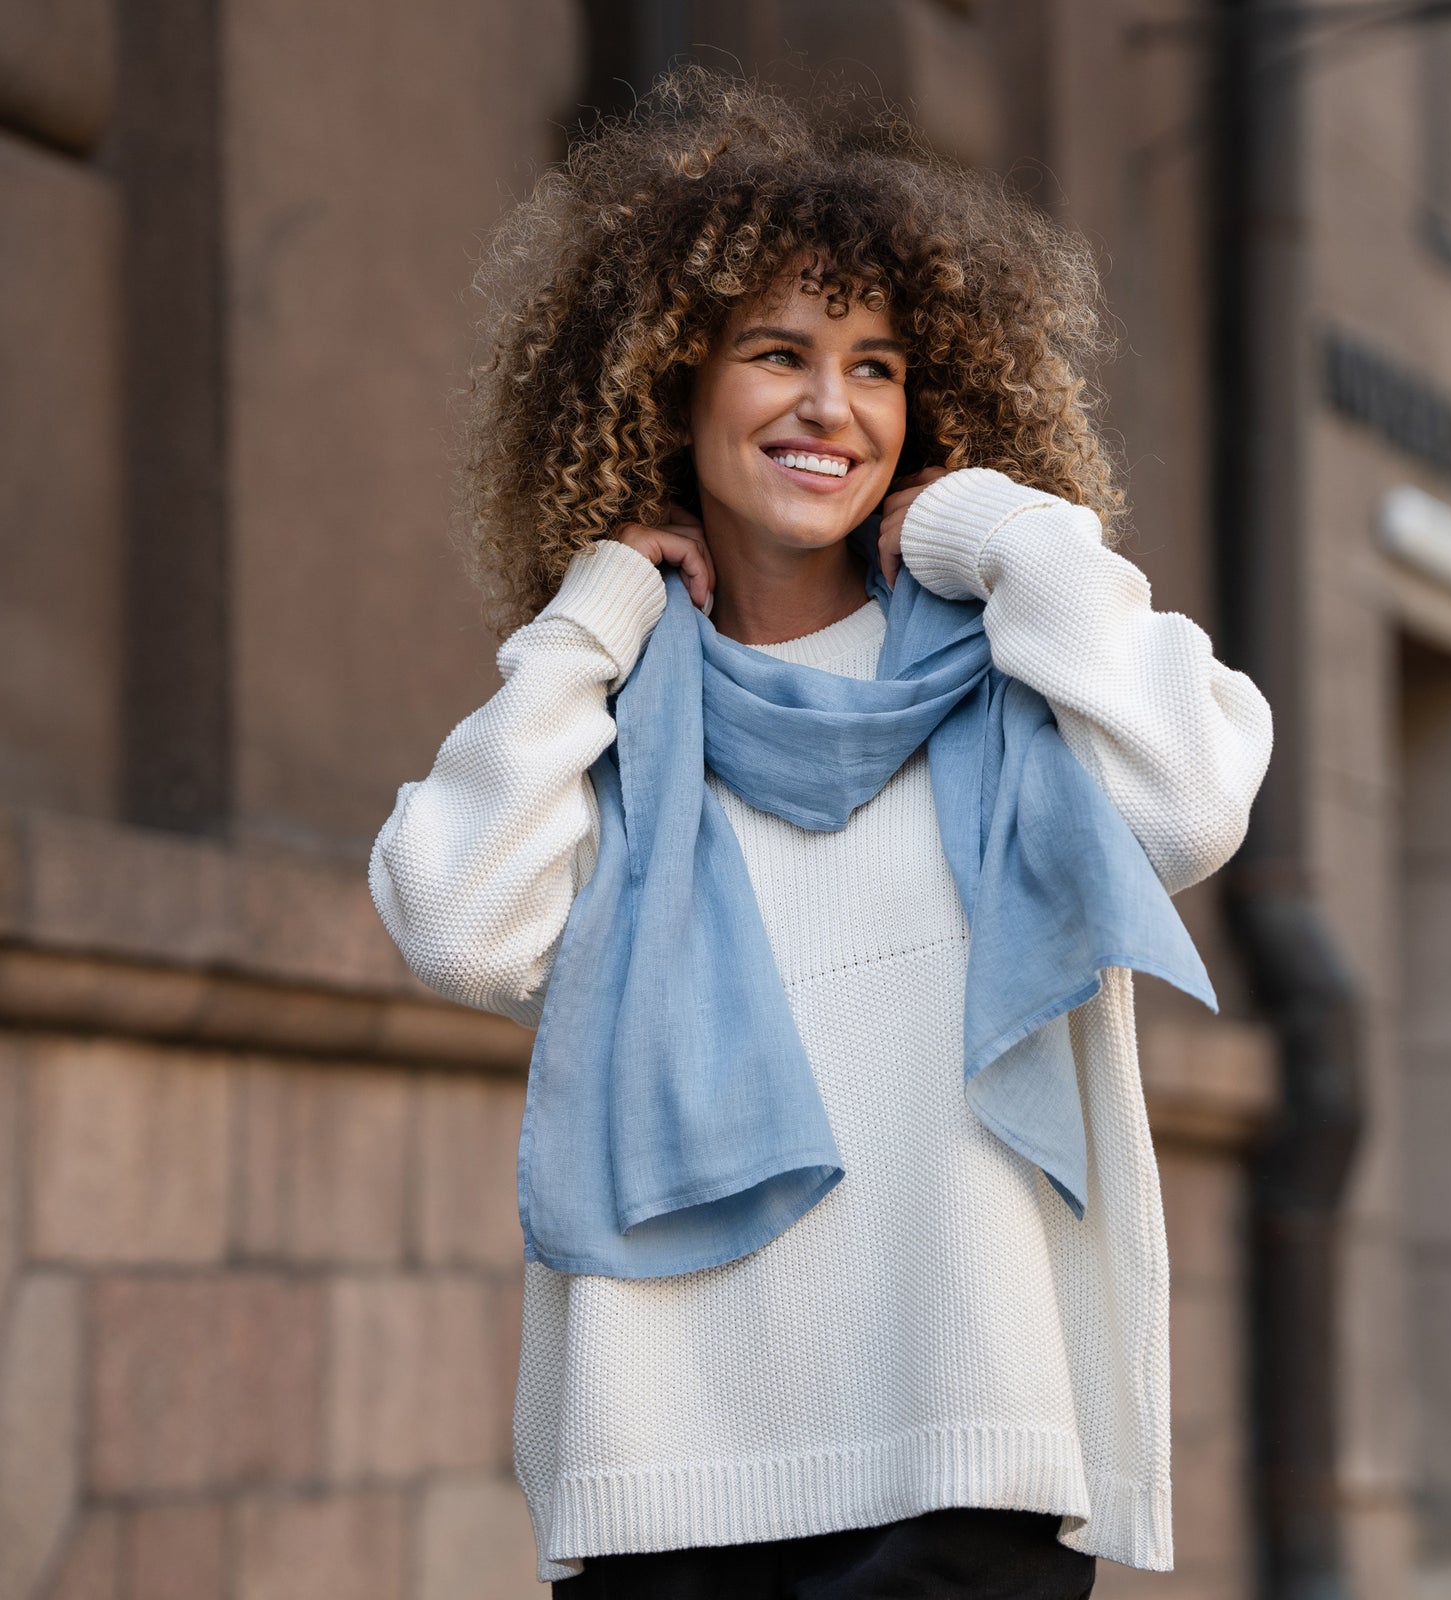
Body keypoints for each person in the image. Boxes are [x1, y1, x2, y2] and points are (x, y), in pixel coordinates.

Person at [370, 68, 1272, 1599]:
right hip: (667, 1472)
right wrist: (594, 616)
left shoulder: (1015, 686)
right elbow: (456, 920)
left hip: (969, 1453)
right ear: (673, 388)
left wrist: (1005, 526)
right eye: (776, 353)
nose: (829, 407)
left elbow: (1192, 797)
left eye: (877, 366)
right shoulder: (616, 718)